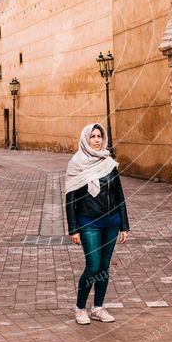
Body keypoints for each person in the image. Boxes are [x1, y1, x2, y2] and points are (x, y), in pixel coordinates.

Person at [65, 122, 130, 324]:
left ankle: (98, 308)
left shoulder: (109, 163)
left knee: (104, 267)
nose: (96, 140)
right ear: (86, 139)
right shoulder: (76, 164)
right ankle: (80, 308)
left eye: (99, 136)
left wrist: (124, 225)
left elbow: (119, 195)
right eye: (92, 136)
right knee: (92, 266)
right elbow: (70, 200)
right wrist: (73, 229)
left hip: (111, 222)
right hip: (88, 223)